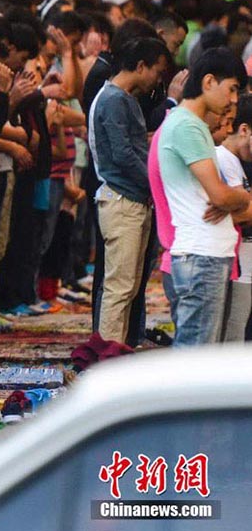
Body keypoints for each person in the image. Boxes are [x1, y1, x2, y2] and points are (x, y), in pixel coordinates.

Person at [157, 48, 251, 346]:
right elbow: (221, 197)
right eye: (232, 89)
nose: (235, 100)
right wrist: (240, 196)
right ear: (209, 82)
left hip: (208, 254)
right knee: (195, 355)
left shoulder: (193, 126)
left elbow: (224, 198)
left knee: (201, 353)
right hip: (201, 256)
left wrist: (234, 197)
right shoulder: (186, 126)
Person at [89, 37, 171, 343]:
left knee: (128, 285)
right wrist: (155, 183)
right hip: (122, 200)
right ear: (140, 66)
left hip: (133, 200)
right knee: (119, 287)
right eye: (157, 71)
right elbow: (123, 155)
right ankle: (108, 354)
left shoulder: (124, 98)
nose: (158, 80)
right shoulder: (112, 99)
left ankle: (116, 349)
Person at [215, 95, 252, 342]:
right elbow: (238, 213)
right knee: (233, 334)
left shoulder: (237, 161)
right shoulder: (223, 159)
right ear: (244, 129)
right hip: (236, 264)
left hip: (243, 263)